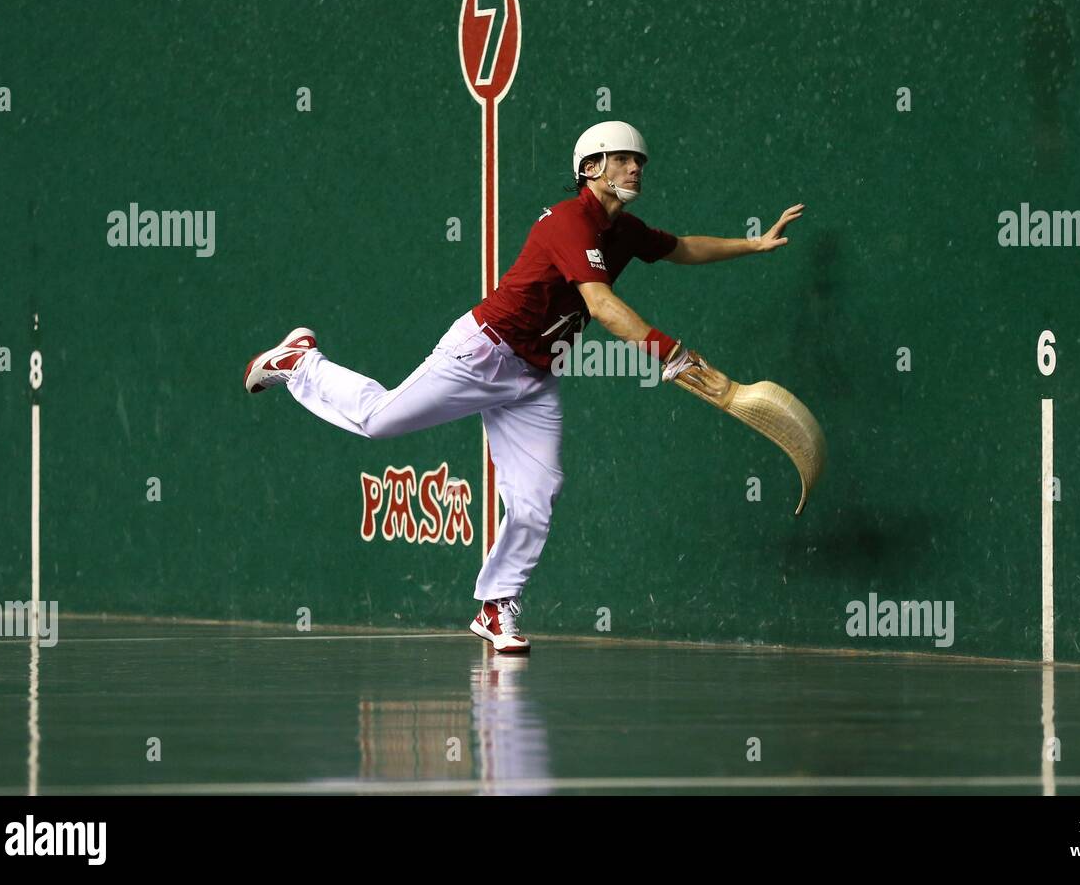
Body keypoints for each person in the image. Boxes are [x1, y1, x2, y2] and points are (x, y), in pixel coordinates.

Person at [243, 120, 804, 653]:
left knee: (539, 495)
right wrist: (672, 355)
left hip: (534, 375)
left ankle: (496, 605)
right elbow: (603, 306)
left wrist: (752, 244)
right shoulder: (568, 222)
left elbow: (680, 246)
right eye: (624, 158)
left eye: (640, 160)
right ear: (591, 167)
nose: (636, 167)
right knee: (378, 422)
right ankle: (301, 362)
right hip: (482, 352)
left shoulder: (623, 230)